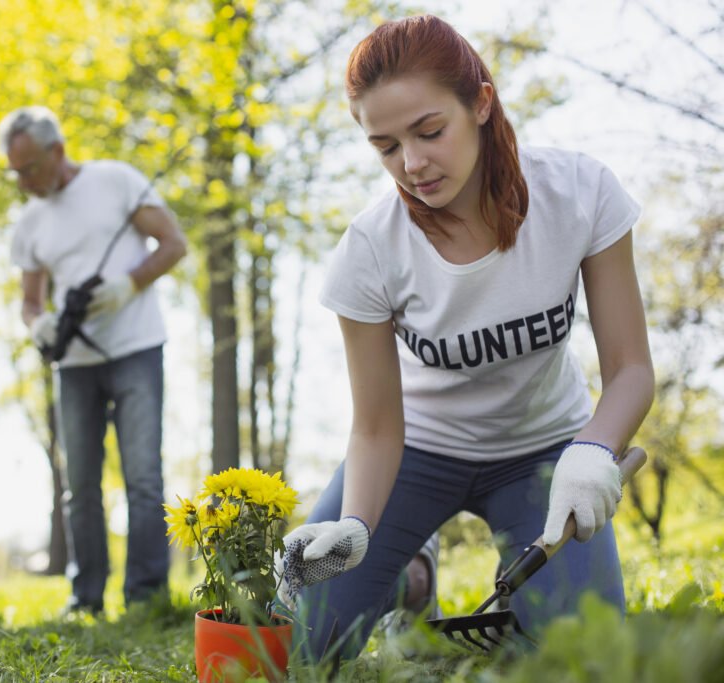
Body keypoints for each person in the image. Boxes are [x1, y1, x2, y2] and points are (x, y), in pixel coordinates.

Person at [278, 15, 654, 661]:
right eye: (386, 146)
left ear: (480, 102)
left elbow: (631, 369)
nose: (412, 164)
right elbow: (374, 428)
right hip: (415, 454)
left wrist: (594, 449)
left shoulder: (579, 194)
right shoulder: (370, 251)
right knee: (311, 652)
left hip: (545, 453)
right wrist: (356, 524)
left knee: (587, 661)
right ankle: (410, 575)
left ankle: (493, 594)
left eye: (429, 131)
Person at [0, 106, 187, 614]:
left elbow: (173, 243)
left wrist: (128, 284)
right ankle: (86, 598)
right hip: (74, 363)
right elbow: (30, 301)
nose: (23, 181)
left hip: (136, 349)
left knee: (143, 478)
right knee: (79, 486)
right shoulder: (31, 221)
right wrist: (40, 325)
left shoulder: (115, 181)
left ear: (57, 151)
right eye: (15, 171)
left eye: (30, 168)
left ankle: (146, 598)